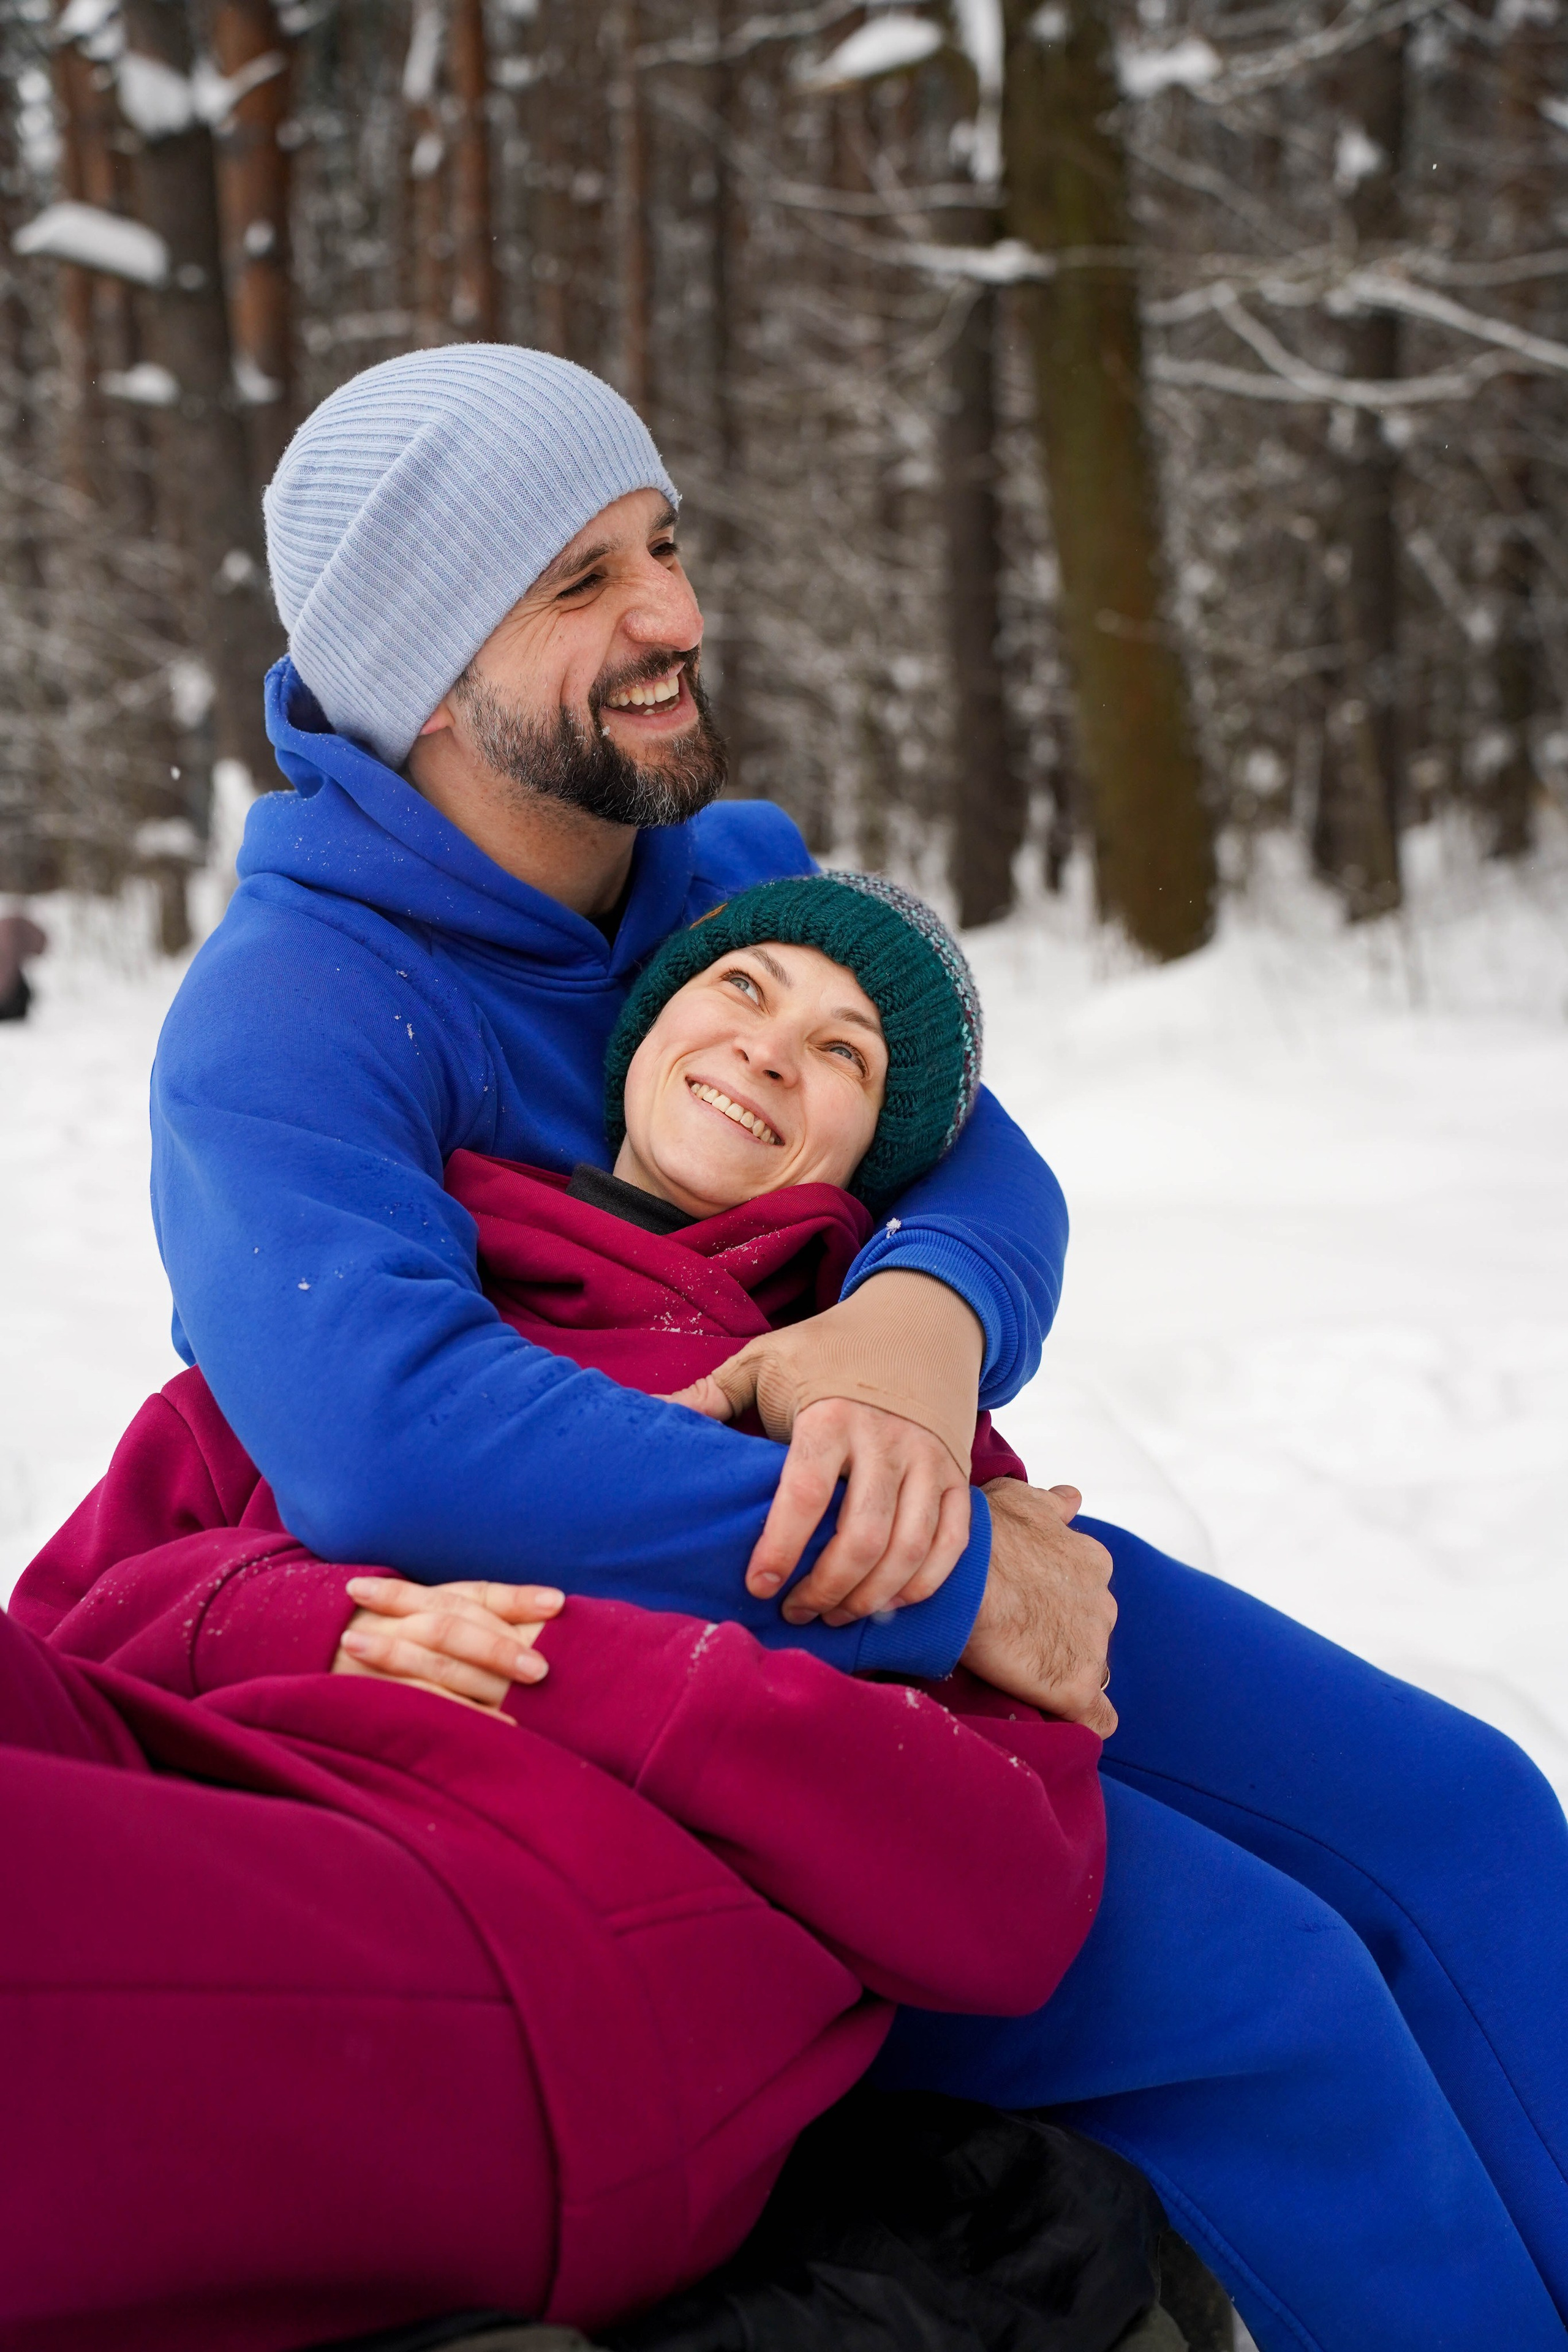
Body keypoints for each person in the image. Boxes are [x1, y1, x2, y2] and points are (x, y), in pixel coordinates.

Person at [56, 342, 1568, 2345]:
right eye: (581, 583)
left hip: (891, 1556)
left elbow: (973, 1152)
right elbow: (385, 1438)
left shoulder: (712, 882)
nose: (675, 612)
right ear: (425, 676)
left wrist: (922, 1316)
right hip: (616, 1690)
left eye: (662, 543)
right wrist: (935, 1572)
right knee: (1272, 2002)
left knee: (1463, 1818)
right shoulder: (295, 1017)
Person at [0, 1570, 1104, 2349]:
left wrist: (543, 1664)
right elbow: (71, 1616)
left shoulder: (893, 1461)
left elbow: (1013, 1885)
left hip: (546, 1932)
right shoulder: (317, 1359)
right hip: (222, 1760)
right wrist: (296, 1612)